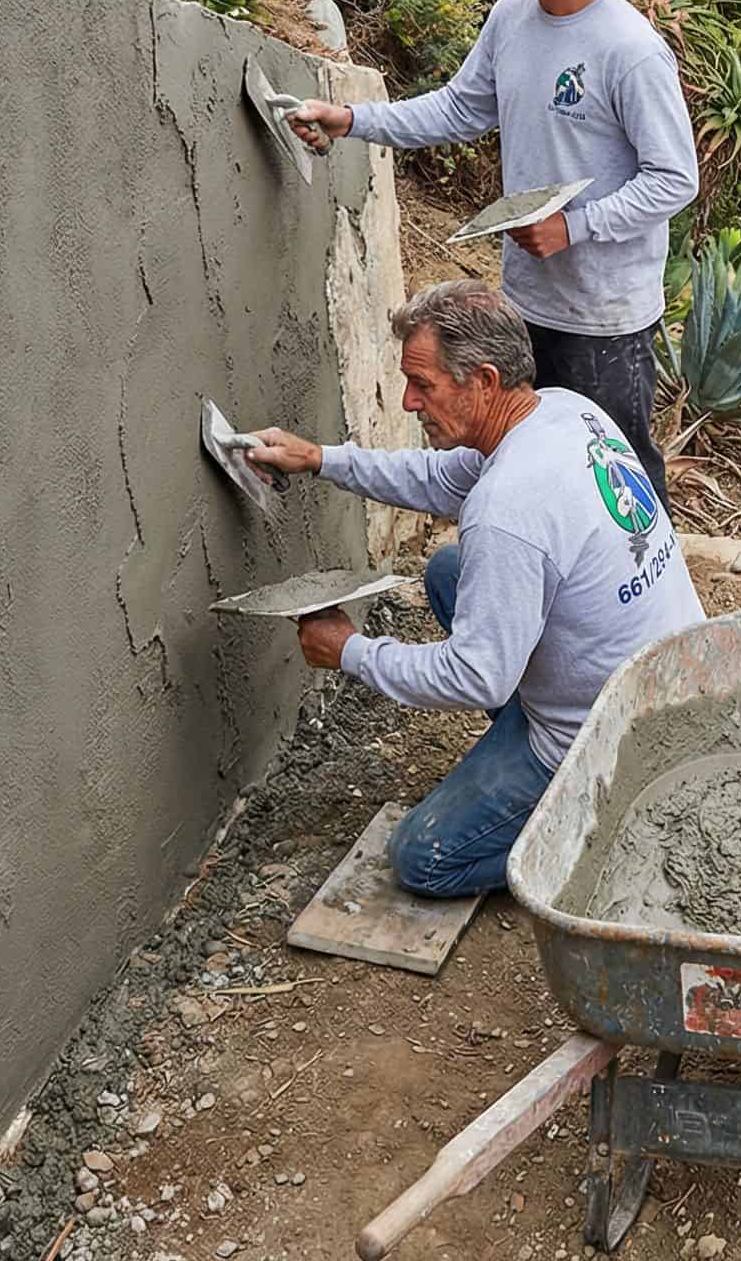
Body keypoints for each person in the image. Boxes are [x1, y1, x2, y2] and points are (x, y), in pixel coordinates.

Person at [246, 279, 704, 897]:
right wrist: (322, 459)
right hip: (676, 683)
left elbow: (475, 677)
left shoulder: (508, 508)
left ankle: (599, 819)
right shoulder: (564, 410)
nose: (409, 401)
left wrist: (348, 651)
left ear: (484, 381)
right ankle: (532, 745)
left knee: (423, 858)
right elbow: (439, 478)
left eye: (424, 385)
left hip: (609, 737)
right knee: (448, 573)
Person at [288, 0, 697, 501]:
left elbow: (675, 178)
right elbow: (458, 108)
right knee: (526, 476)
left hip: (604, 322)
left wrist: (575, 226)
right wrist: (352, 119)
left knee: (616, 489)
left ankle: (647, 603)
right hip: (523, 308)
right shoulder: (511, 19)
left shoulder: (630, 50)